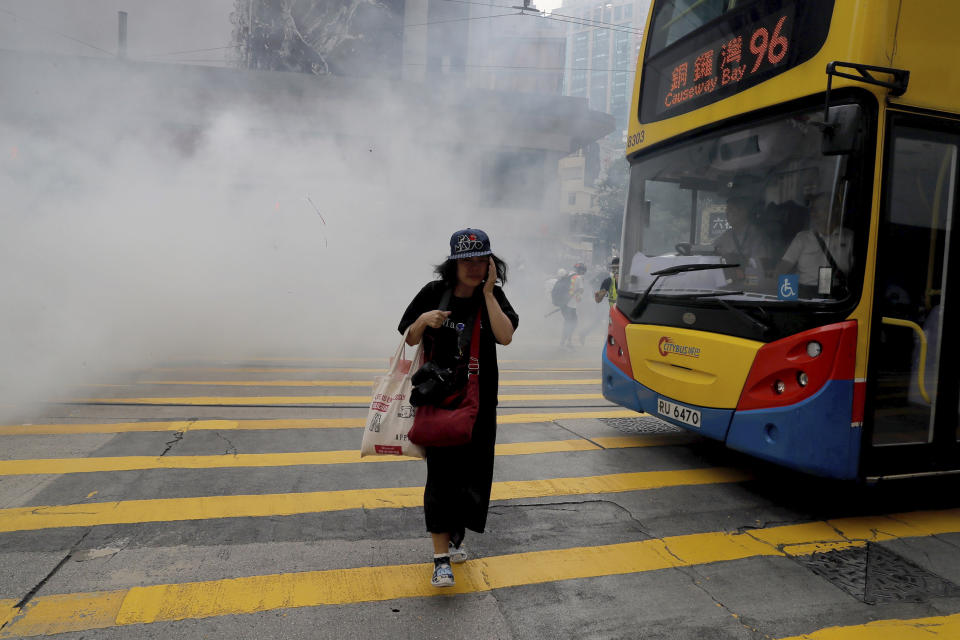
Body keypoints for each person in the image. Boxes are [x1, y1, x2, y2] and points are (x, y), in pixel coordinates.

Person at [398, 228, 519, 588]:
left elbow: (505, 335)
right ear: (453, 263)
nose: (474, 266)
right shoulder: (434, 292)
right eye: (467, 260)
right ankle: (440, 560)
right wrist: (423, 320)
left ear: (491, 264)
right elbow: (408, 336)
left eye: (481, 260)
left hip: (479, 402)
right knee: (441, 476)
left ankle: (454, 537)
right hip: (439, 400)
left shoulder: (493, 296)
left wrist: (488, 294)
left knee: (474, 476)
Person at [776, 192, 853, 297]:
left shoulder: (849, 237)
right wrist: (790, 299)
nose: (814, 213)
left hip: (839, 299)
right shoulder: (802, 238)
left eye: (820, 208)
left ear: (834, 209)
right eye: (812, 209)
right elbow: (782, 270)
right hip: (804, 295)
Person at [713, 196, 772, 285]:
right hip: (729, 283)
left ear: (744, 212)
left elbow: (762, 263)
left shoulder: (757, 235)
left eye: (731, 210)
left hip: (752, 285)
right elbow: (713, 252)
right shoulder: (726, 235)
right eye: (727, 210)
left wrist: (737, 261)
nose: (727, 213)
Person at [557, 262, 586, 349]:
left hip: (563, 304)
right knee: (572, 323)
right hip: (571, 305)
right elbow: (580, 290)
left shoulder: (568, 275)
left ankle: (565, 342)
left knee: (568, 322)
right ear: (581, 270)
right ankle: (565, 343)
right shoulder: (579, 277)